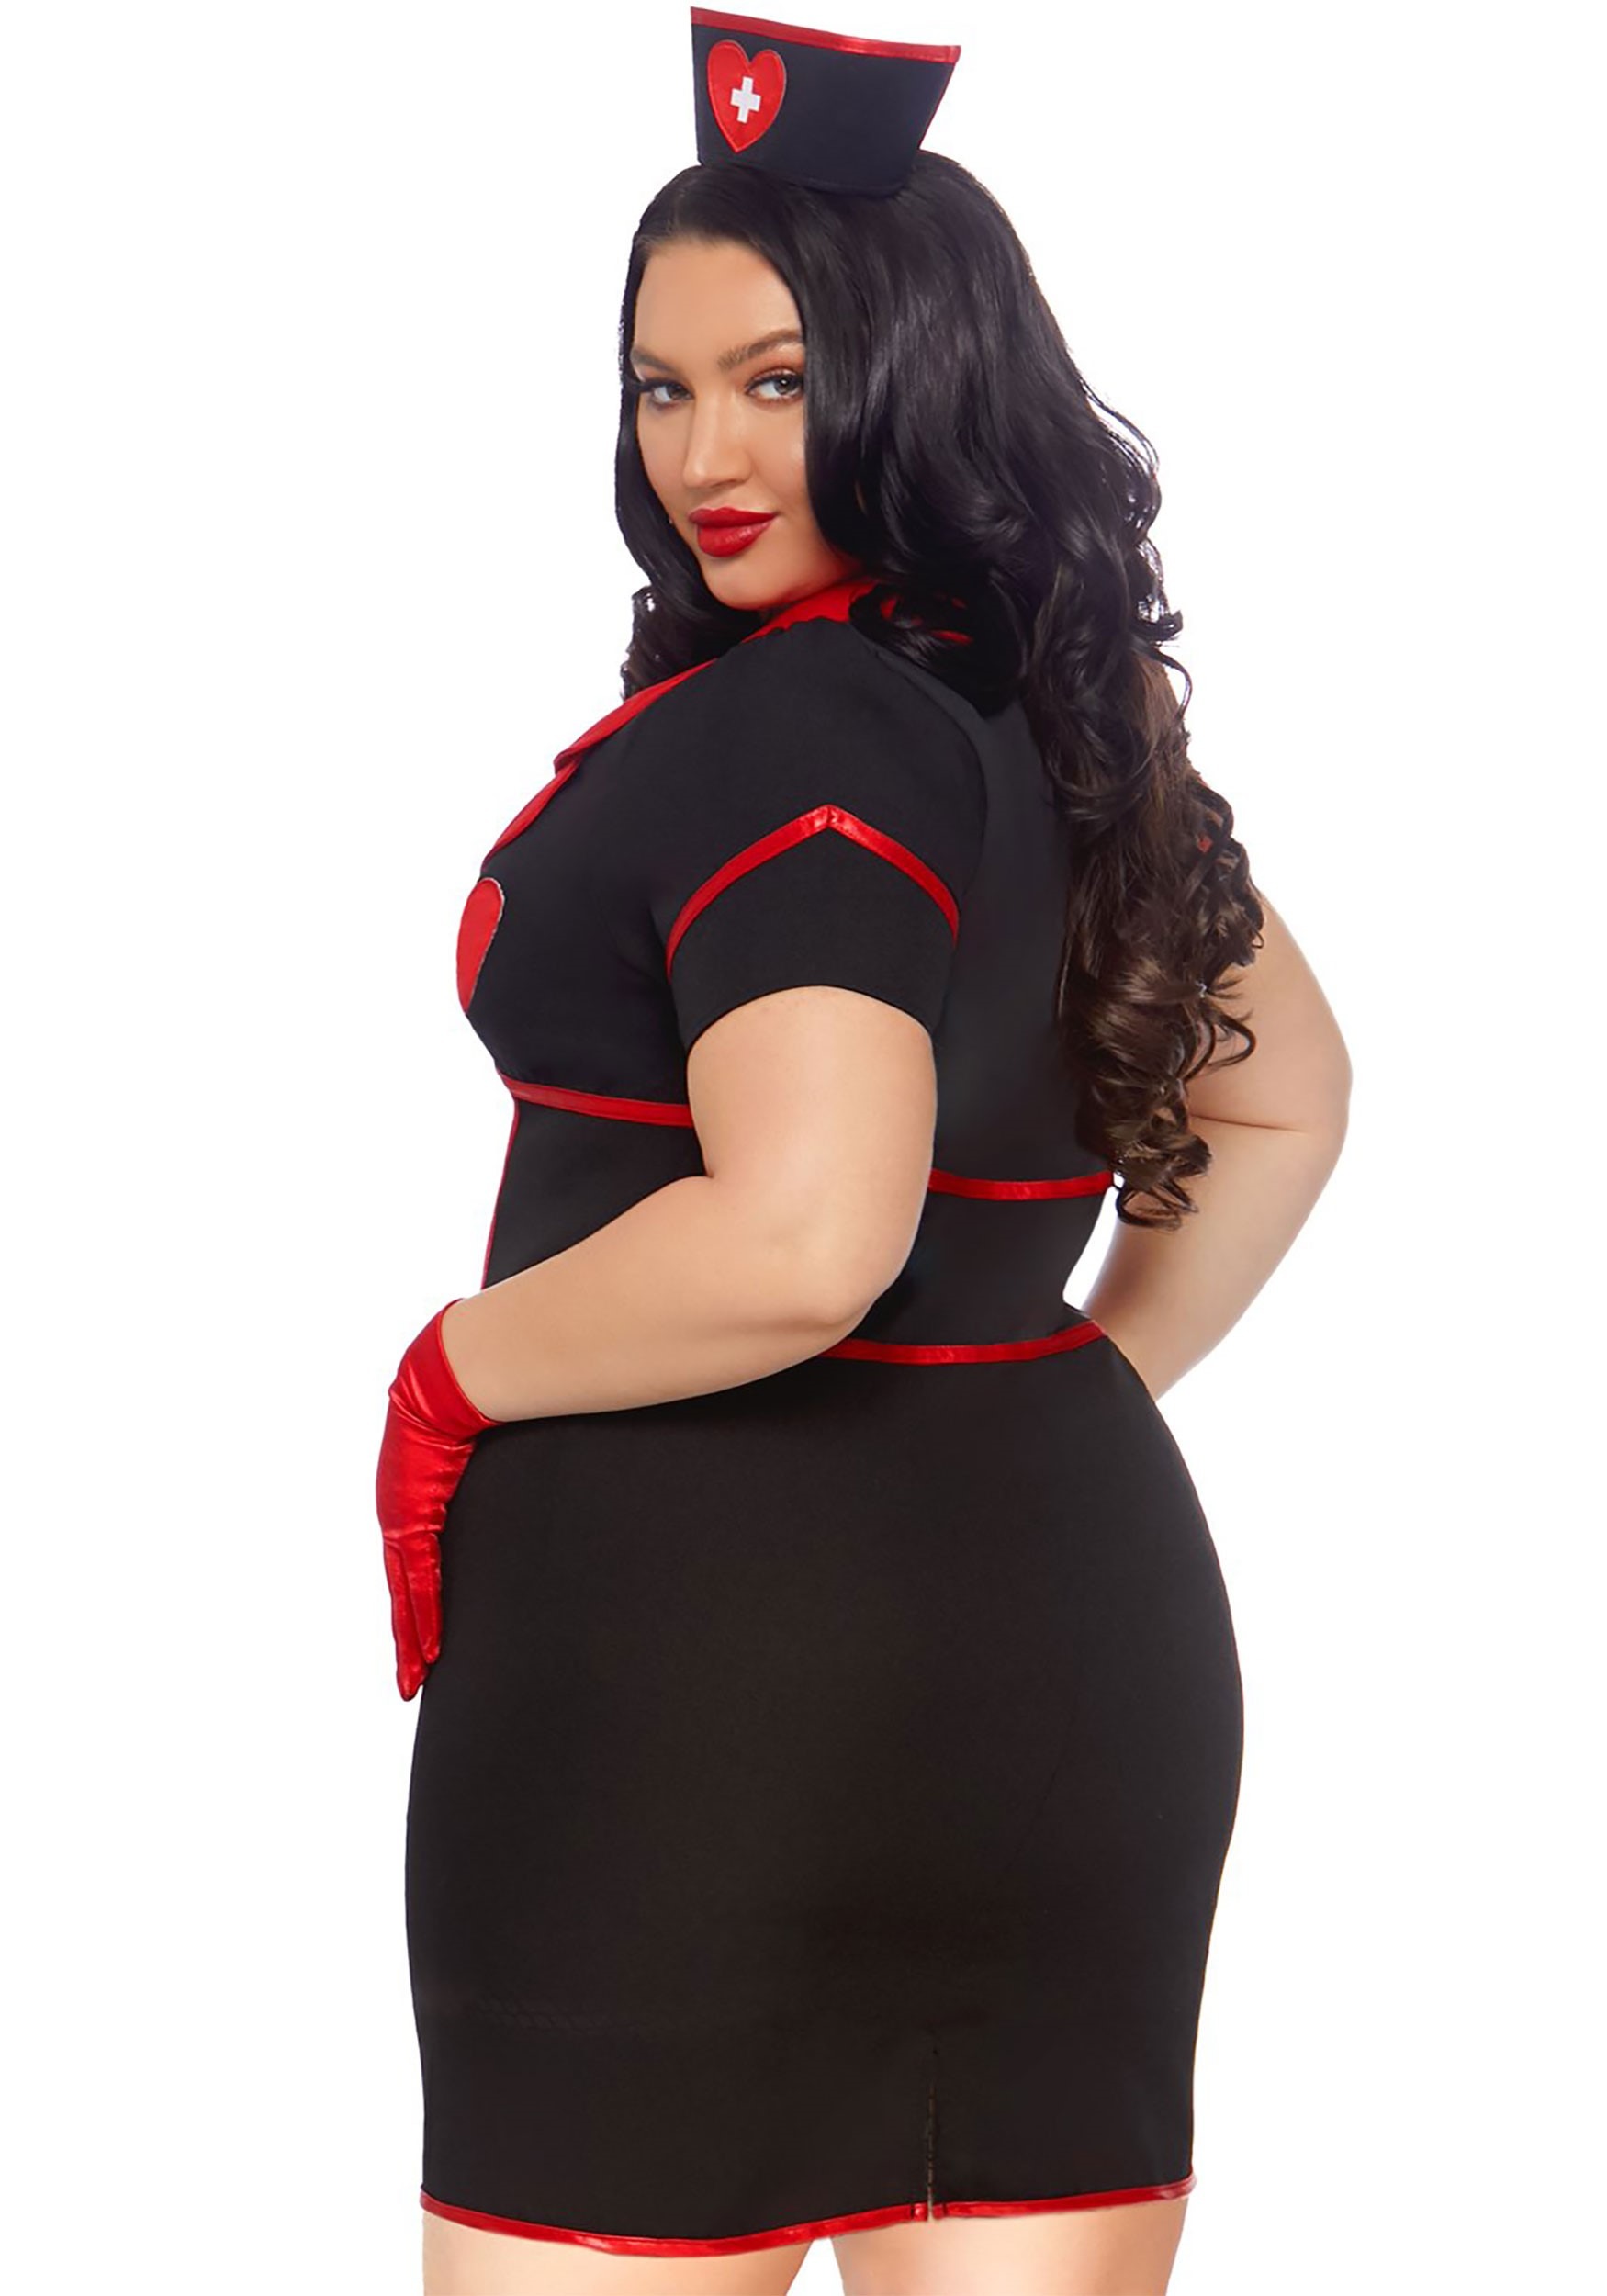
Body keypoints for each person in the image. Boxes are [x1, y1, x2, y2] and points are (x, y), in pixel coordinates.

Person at [377, 12, 1352, 2292]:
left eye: (778, 380)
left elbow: (805, 1231)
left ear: (918, 376)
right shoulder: (1066, 700)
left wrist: (450, 1372)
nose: (704, 453)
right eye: (660, 385)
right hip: (1069, 1650)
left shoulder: (789, 720)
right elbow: (1281, 1092)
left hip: (688, 1682)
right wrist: (1072, 1376)